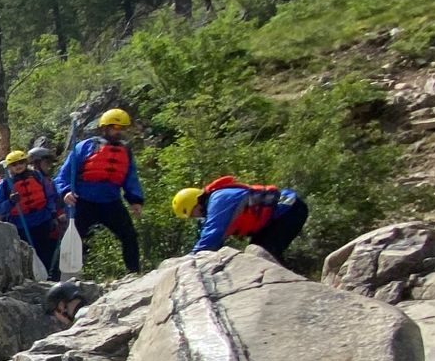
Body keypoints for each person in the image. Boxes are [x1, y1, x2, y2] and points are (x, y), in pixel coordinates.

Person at [56, 107, 145, 273]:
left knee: (130, 236)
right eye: (114, 127)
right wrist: (65, 192)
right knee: (74, 241)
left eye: (121, 128)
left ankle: (134, 273)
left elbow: (130, 178)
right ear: (104, 127)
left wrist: (135, 200)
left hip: (110, 202)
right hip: (83, 202)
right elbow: (63, 176)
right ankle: (62, 277)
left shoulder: (125, 151)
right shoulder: (85, 146)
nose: (117, 132)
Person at [172, 177, 310, 268]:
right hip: (275, 219)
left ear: (195, 203)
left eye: (192, 213)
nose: (196, 217)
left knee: (265, 256)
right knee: (258, 255)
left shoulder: (219, 200)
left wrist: (190, 259)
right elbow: (207, 238)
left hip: (289, 211)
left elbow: (212, 236)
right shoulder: (213, 204)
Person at [0, 149, 66, 279]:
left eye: (21, 162)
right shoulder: (5, 184)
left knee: (47, 251)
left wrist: (52, 212)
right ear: (9, 167)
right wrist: (10, 202)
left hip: (42, 220)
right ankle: (33, 278)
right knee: (28, 254)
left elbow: (50, 195)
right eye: (14, 164)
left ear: (26, 162)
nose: (18, 166)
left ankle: (49, 277)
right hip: (21, 225)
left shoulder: (37, 176)